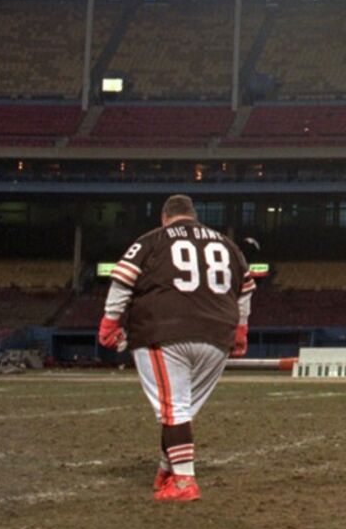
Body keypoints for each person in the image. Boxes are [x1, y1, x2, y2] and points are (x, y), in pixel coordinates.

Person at [98, 194, 254, 501]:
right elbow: (246, 289)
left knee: (174, 408)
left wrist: (110, 322)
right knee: (181, 409)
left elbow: (122, 281)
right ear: (193, 216)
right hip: (216, 336)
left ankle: (184, 481)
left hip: (165, 330)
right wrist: (241, 329)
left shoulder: (152, 240)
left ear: (164, 217)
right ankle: (167, 469)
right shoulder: (228, 244)